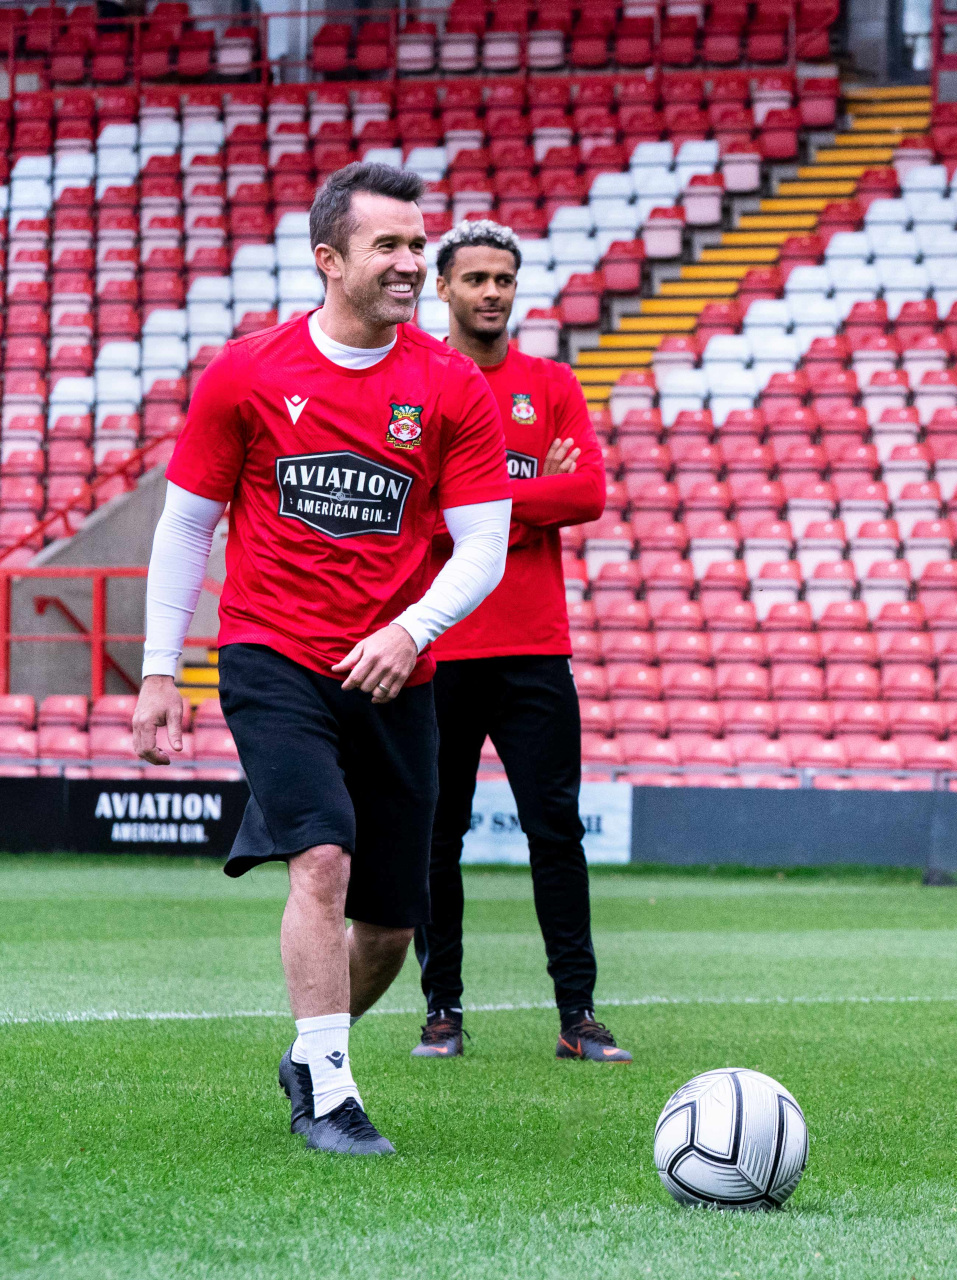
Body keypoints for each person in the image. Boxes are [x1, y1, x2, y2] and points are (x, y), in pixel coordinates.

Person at [131, 163, 512, 1154]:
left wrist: (412, 629)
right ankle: (332, 1094)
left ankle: (310, 1052)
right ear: (329, 259)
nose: (412, 262)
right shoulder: (246, 373)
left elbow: (484, 544)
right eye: (389, 245)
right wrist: (160, 668)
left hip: (395, 670)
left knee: (389, 925)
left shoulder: (451, 384)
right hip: (272, 653)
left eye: (418, 244)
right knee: (322, 855)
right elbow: (186, 524)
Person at [407, 220, 627, 1064]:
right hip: (440, 644)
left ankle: (579, 1016)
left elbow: (590, 494)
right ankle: (442, 1011)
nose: (491, 292)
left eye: (503, 278)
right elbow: (416, 513)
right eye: (475, 279)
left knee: (556, 833)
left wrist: (475, 503)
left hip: (535, 647)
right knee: (437, 839)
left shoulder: (551, 383)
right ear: (444, 288)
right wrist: (533, 494)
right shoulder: (417, 382)